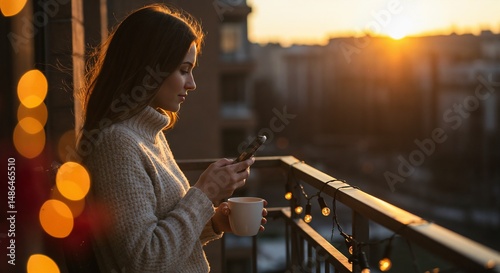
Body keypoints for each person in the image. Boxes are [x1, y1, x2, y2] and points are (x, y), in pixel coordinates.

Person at [76, 4, 267, 273]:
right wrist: (205, 192)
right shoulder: (116, 144)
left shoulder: (148, 134)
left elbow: (163, 238)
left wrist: (213, 224)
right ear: (148, 68)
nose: (192, 83)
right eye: (183, 69)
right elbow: (145, 260)